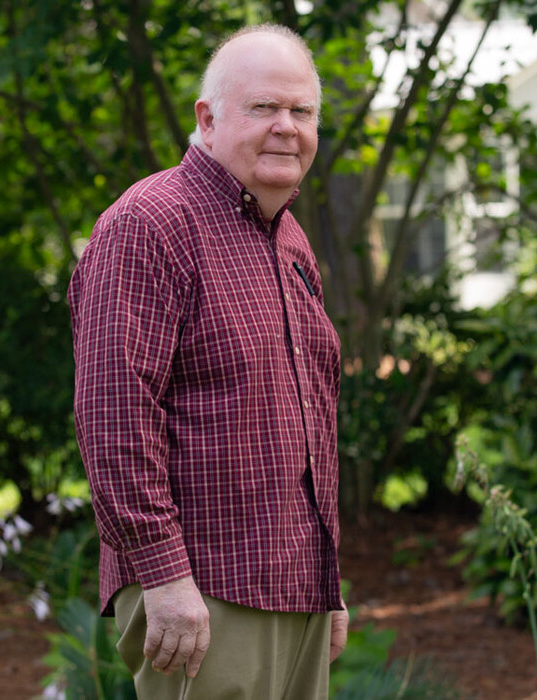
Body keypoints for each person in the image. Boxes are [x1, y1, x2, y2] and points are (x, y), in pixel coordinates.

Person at [68, 24, 347, 699]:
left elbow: (308, 419)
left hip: (294, 587)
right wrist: (163, 575)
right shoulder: (151, 223)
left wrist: (328, 581)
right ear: (208, 118)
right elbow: (114, 411)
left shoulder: (290, 241)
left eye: (301, 111)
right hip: (201, 593)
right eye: (263, 108)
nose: (287, 127)